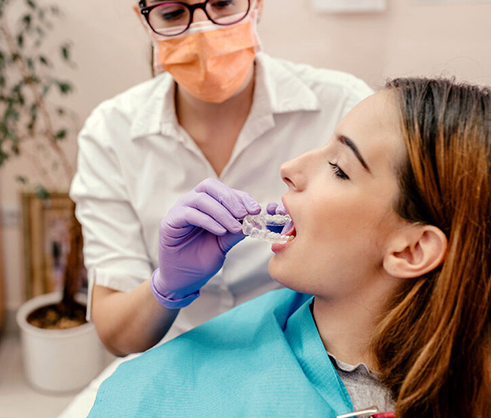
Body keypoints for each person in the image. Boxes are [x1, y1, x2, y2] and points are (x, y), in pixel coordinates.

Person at [86, 78, 491, 418]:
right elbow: (116, 334)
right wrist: (167, 285)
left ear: (411, 250)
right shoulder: (146, 398)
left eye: (338, 168)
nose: (289, 169)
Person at [62, 0, 372, 415]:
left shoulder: (342, 106)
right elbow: (118, 335)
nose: (204, 30)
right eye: (173, 13)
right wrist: (167, 287)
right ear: (144, 20)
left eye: (223, 3)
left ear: (257, 4)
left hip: (310, 357)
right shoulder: (111, 133)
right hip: (171, 356)